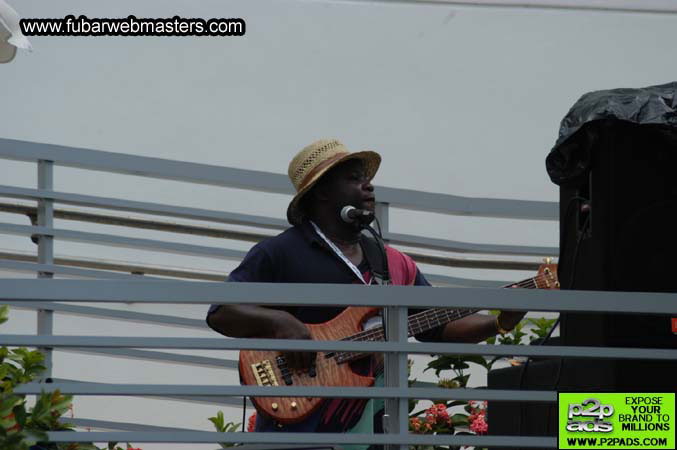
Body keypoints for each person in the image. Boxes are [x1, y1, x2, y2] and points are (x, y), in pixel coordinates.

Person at [206, 139, 525, 446]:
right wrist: (279, 322)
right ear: (322, 192)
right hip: (296, 432)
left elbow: (436, 326)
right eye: (354, 178)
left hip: (374, 432)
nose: (368, 185)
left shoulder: (394, 264)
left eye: (367, 178)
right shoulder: (279, 252)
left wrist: (499, 322)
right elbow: (222, 311)